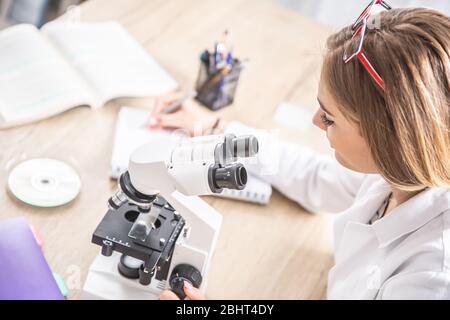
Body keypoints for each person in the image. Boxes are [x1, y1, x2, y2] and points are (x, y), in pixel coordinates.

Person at [158, 4, 450, 300]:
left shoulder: (431, 278)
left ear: (388, 138)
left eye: (330, 118)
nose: (315, 121)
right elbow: (314, 175)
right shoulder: (398, 176)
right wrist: (217, 127)